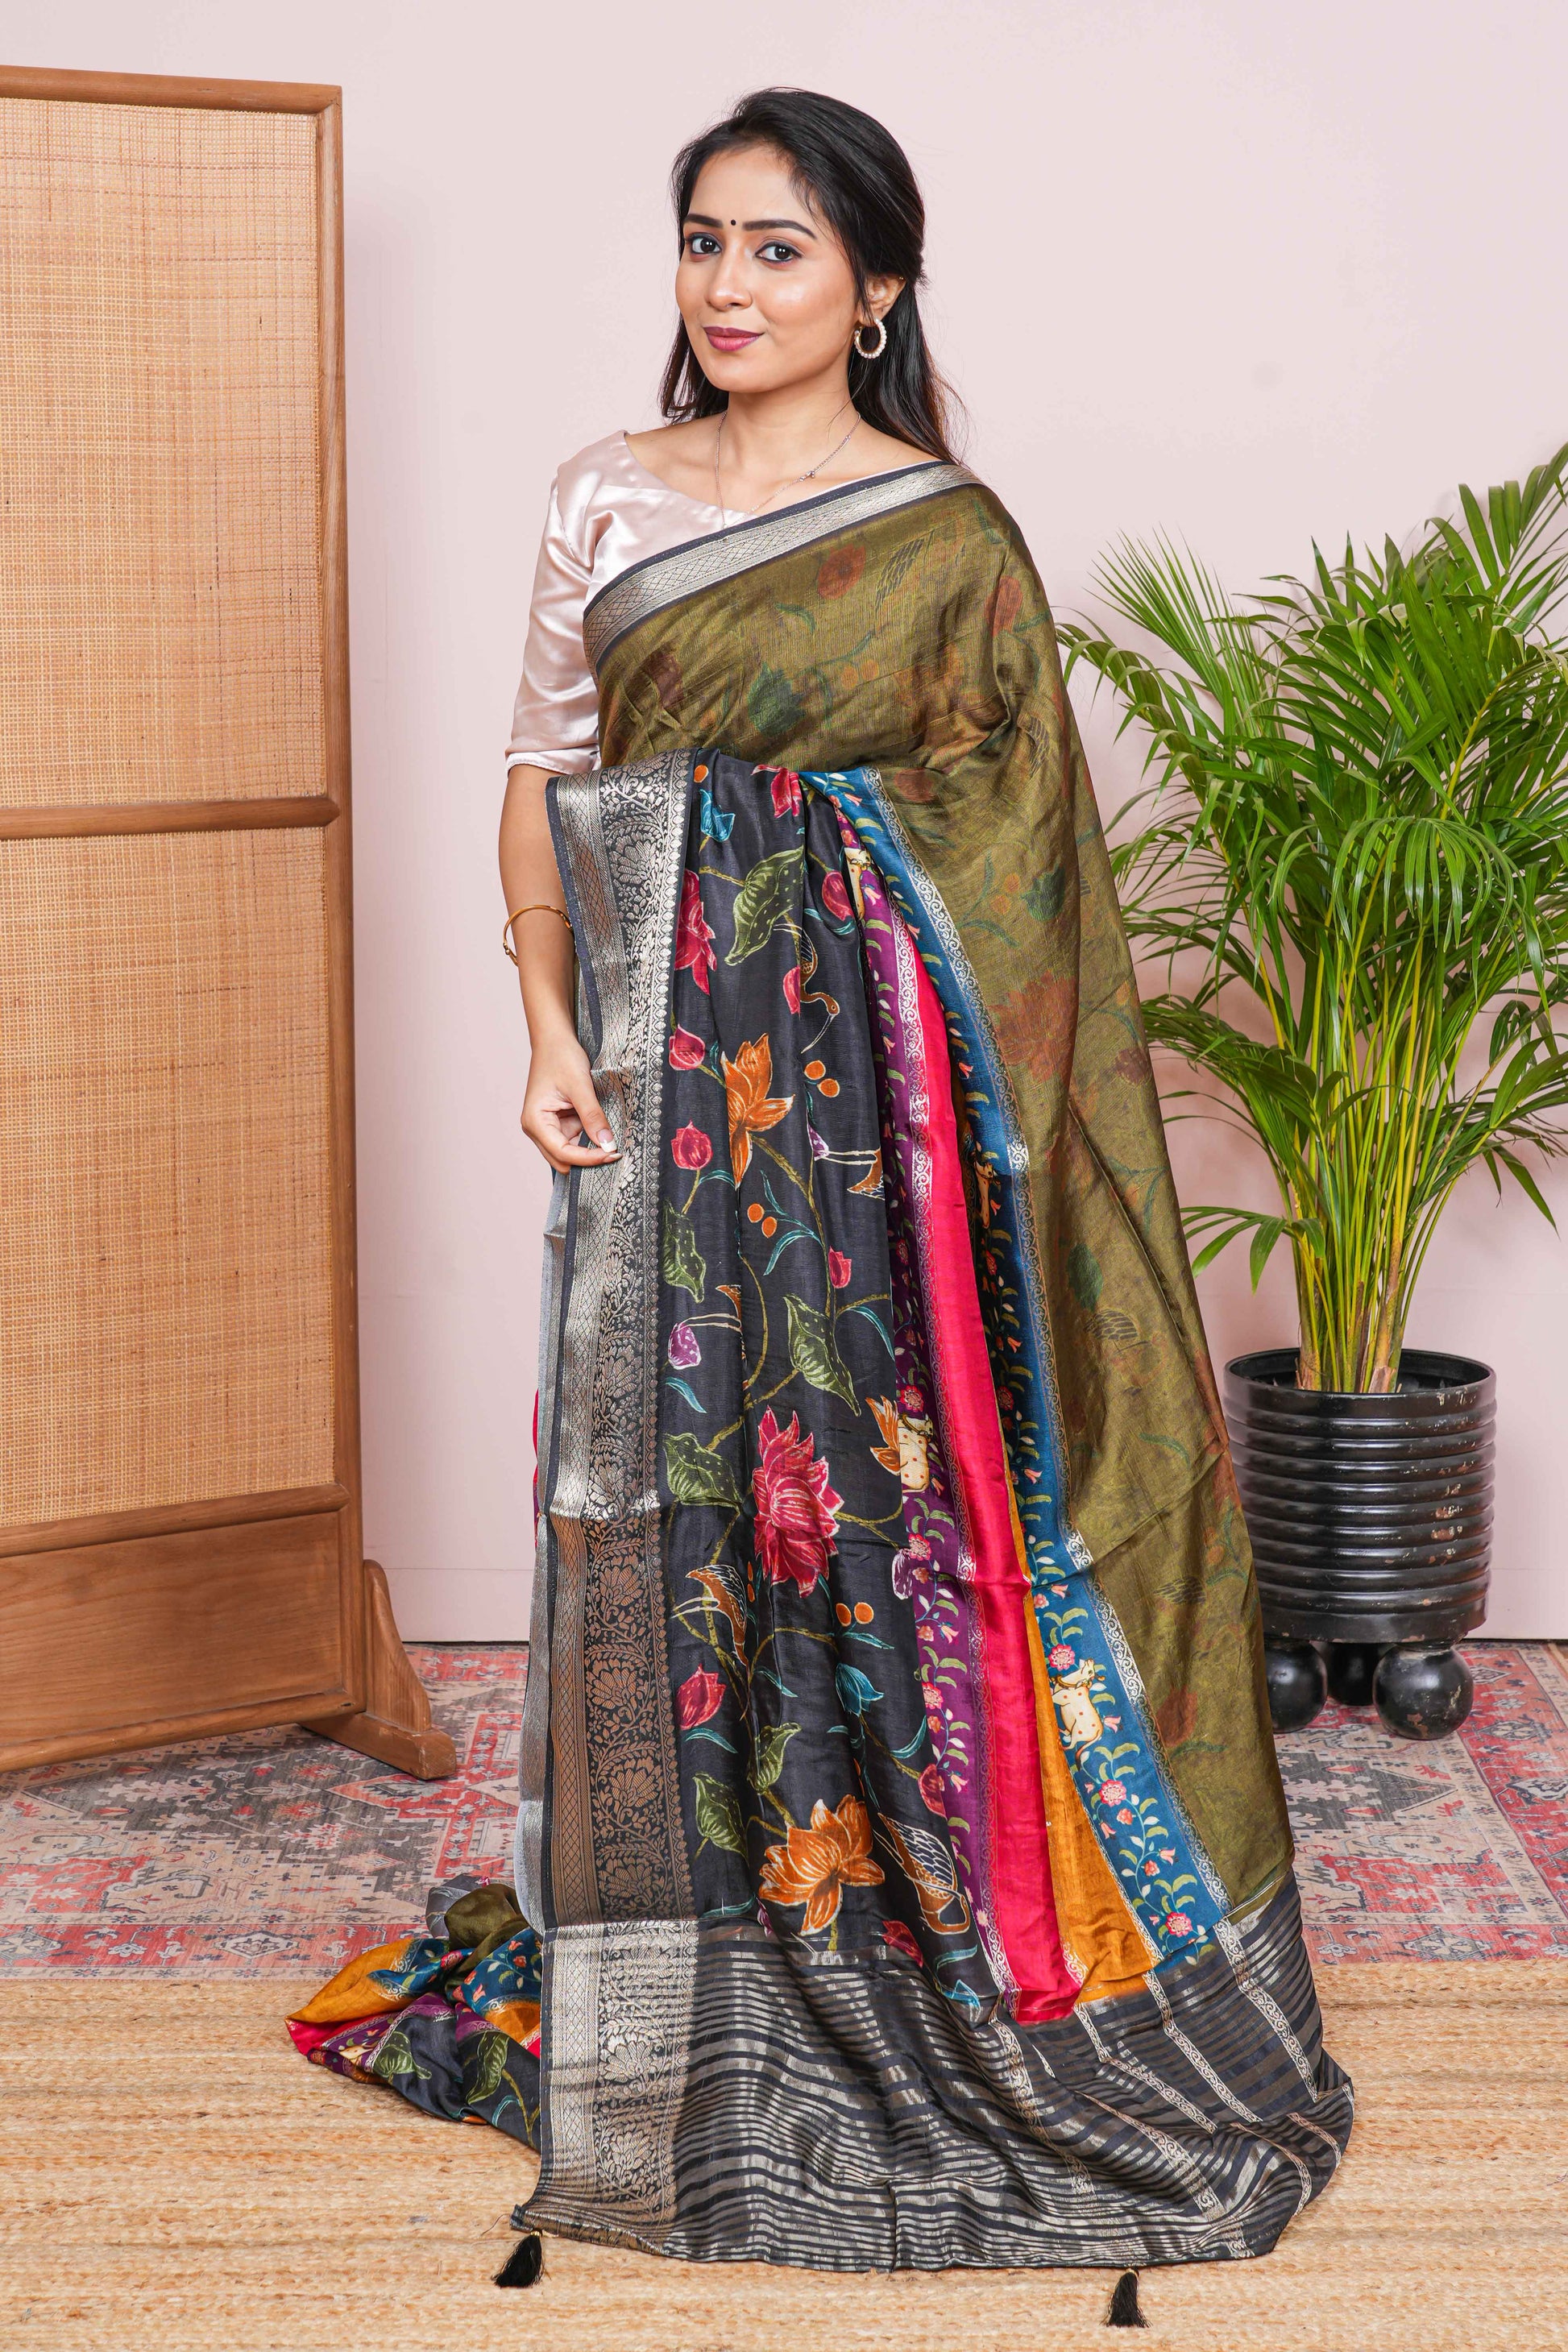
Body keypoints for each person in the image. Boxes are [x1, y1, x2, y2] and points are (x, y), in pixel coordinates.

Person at [289, 85, 1352, 2274]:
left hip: (880, 1145)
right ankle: (683, 1940)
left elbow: (1021, 866)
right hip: (664, 1095)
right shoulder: (606, 492)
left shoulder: (944, 536)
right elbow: (541, 775)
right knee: (671, 1497)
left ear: (874, 284)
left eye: (778, 249)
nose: (729, 286)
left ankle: (913, 1917)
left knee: (877, 1496)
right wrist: (547, 1029)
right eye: (702, 242)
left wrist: (822, 899)